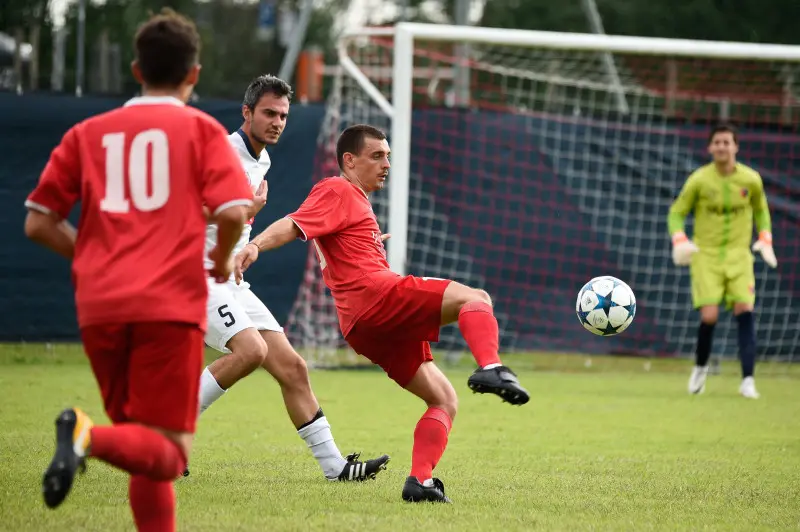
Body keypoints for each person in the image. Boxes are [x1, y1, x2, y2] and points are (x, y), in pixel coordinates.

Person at [24, 10, 253, 531]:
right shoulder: (201, 129)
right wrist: (217, 267)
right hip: (169, 305)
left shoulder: (88, 132)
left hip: (100, 306)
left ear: (135, 69)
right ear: (193, 74)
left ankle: (93, 440)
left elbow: (39, 223)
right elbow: (233, 213)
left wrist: (90, 254)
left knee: (142, 447)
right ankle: (83, 434)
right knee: (167, 455)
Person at [234, 124, 530, 503]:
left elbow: (337, 243)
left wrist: (369, 242)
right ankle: (491, 367)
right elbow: (293, 224)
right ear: (349, 160)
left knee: (443, 398)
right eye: (377, 156)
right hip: (376, 297)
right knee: (477, 299)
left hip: (361, 325)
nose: (386, 163)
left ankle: (419, 483)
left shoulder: (356, 201)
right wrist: (255, 246)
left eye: (388, 155)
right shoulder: (337, 188)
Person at [190, 75, 389, 481]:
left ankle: (336, 469)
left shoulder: (260, 159)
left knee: (293, 367)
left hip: (230, 280)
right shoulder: (221, 153)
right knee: (250, 352)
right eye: (268, 113)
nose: (277, 121)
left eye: (283, 114)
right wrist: (246, 210)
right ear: (246, 113)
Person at [668, 122, 777, 399]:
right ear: (710, 147)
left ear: (735, 146)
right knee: (709, 315)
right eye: (717, 142)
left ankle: (748, 380)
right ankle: (701, 368)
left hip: (740, 255)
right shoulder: (699, 180)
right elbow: (676, 213)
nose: (721, 147)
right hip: (706, 255)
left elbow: (762, 211)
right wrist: (679, 238)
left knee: (745, 310)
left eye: (726, 142)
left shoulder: (751, 179)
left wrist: (765, 236)